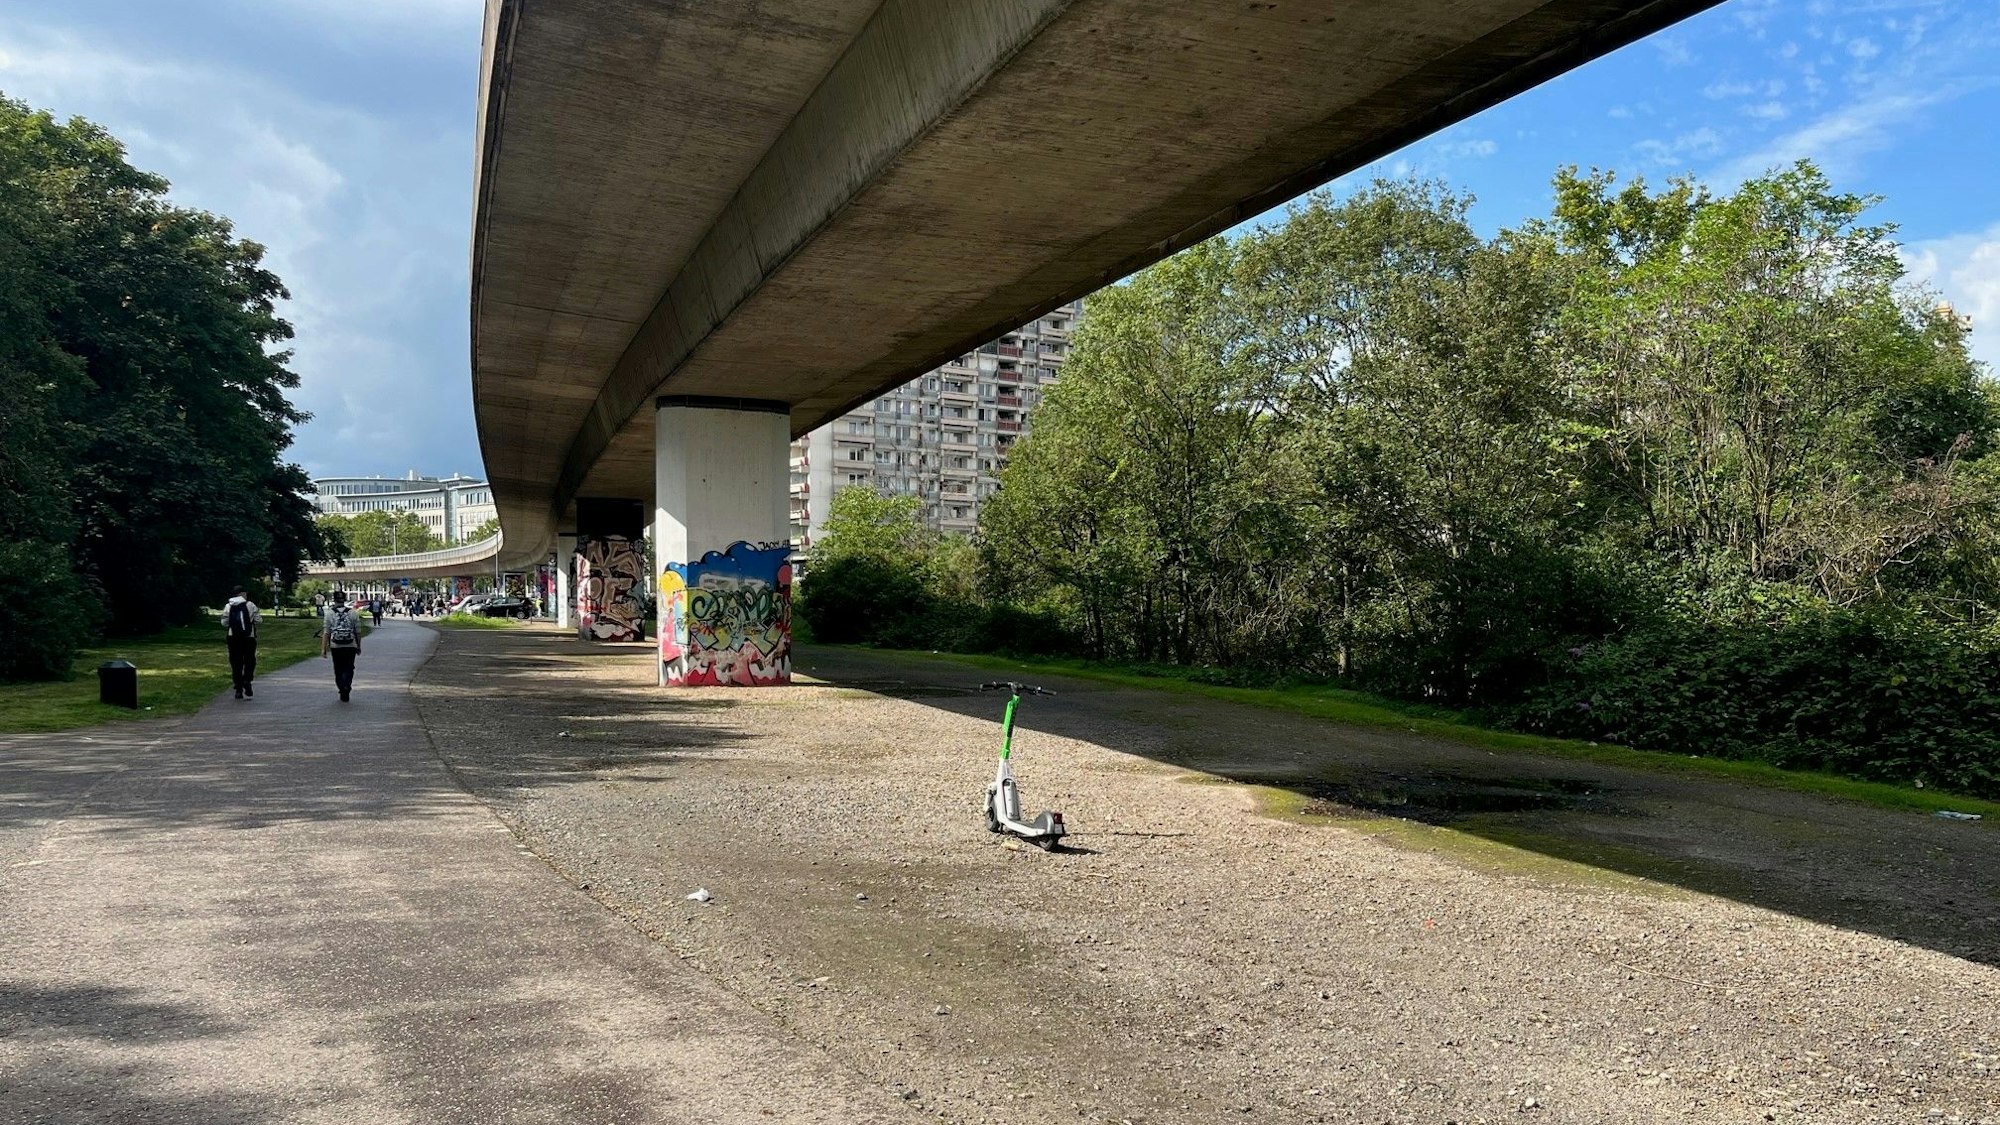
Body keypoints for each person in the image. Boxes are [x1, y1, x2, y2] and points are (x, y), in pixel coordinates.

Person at [220, 585, 261, 699]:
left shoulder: (228, 606)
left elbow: (224, 623)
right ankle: (247, 679)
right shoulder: (250, 605)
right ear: (242, 593)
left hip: (233, 637)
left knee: (236, 662)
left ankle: (238, 688)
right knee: (249, 660)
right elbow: (259, 620)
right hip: (249, 637)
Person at [321, 592, 364, 702]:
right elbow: (358, 632)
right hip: (350, 645)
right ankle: (347, 686)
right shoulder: (353, 613)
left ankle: (342, 688)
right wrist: (358, 646)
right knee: (349, 668)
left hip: (336, 646)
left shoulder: (329, 614)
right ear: (344, 600)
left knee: (338, 669)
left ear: (334, 600)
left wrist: (324, 649)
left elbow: (326, 632)